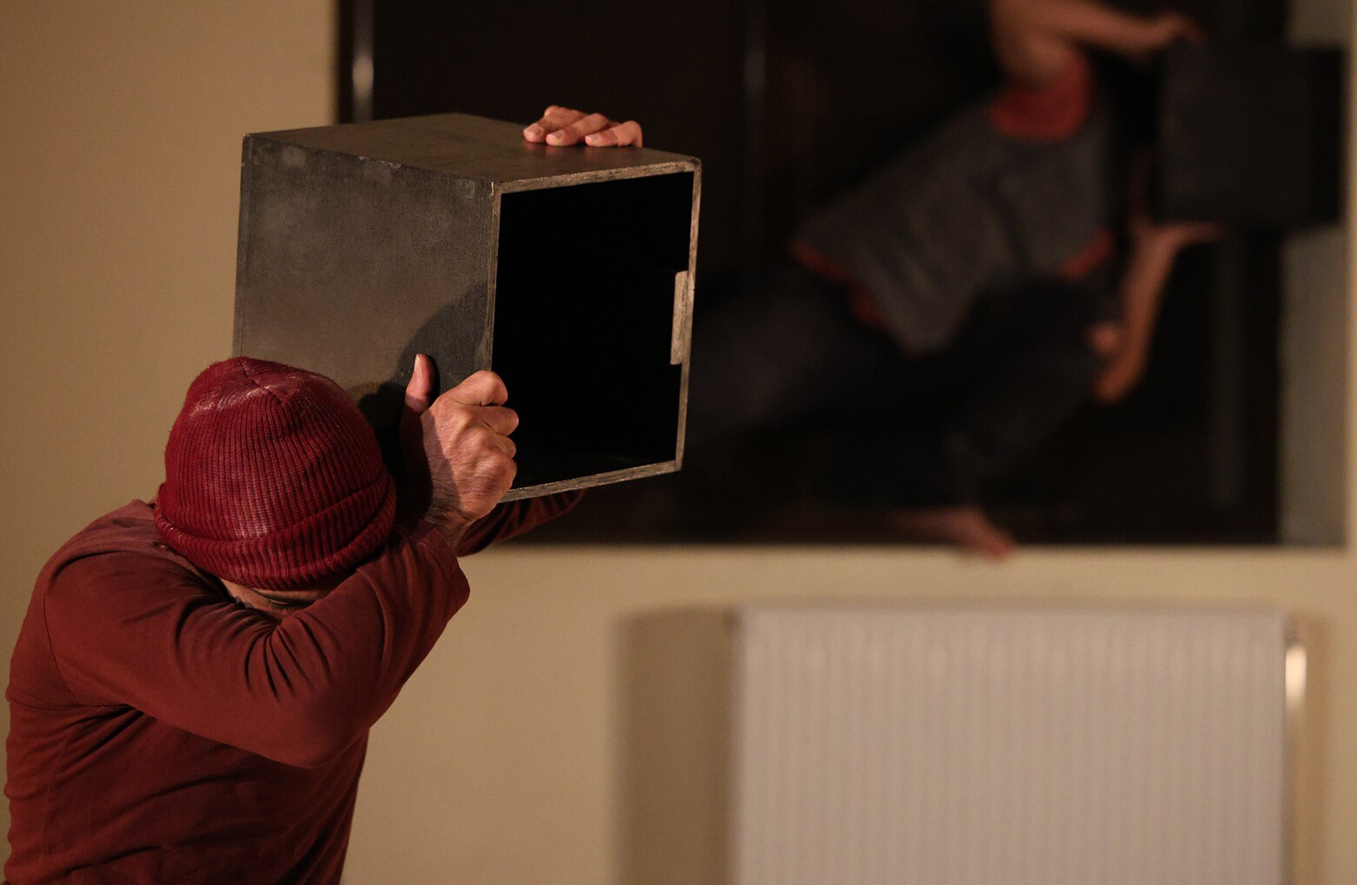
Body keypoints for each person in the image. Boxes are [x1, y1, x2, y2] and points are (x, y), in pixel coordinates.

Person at [524, 0, 1221, 557]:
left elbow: (1110, 377)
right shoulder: (1075, 114)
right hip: (838, 299)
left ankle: (921, 485)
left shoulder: (1107, 247)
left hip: (918, 368)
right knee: (679, 406)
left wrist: (1156, 250)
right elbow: (1018, 14)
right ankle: (511, 465)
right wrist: (1145, 39)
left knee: (1088, 335)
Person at [5, 354, 578, 883]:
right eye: (285, 604)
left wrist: (459, 459)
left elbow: (558, 480)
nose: (333, 614)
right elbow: (304, 713)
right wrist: (440, 510)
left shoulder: (366, 526)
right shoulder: (96, 590)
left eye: (351, 580)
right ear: (207, 559)